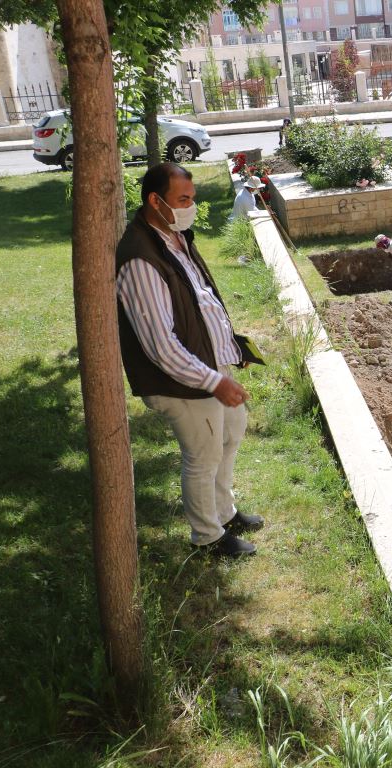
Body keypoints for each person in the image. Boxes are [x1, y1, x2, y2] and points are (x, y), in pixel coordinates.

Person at [115, 162, 262, 558]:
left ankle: (224, 511)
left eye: (191, 199)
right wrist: (215, 381)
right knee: (203, 455)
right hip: (180, 381)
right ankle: (208, 537)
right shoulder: (140, 259)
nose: (190, 207)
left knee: (231, 434)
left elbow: (201, 301)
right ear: (155, 200)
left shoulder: (174, 236)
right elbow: (161, 346)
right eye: (183, 200)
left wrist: (232, 348)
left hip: (211, 364)